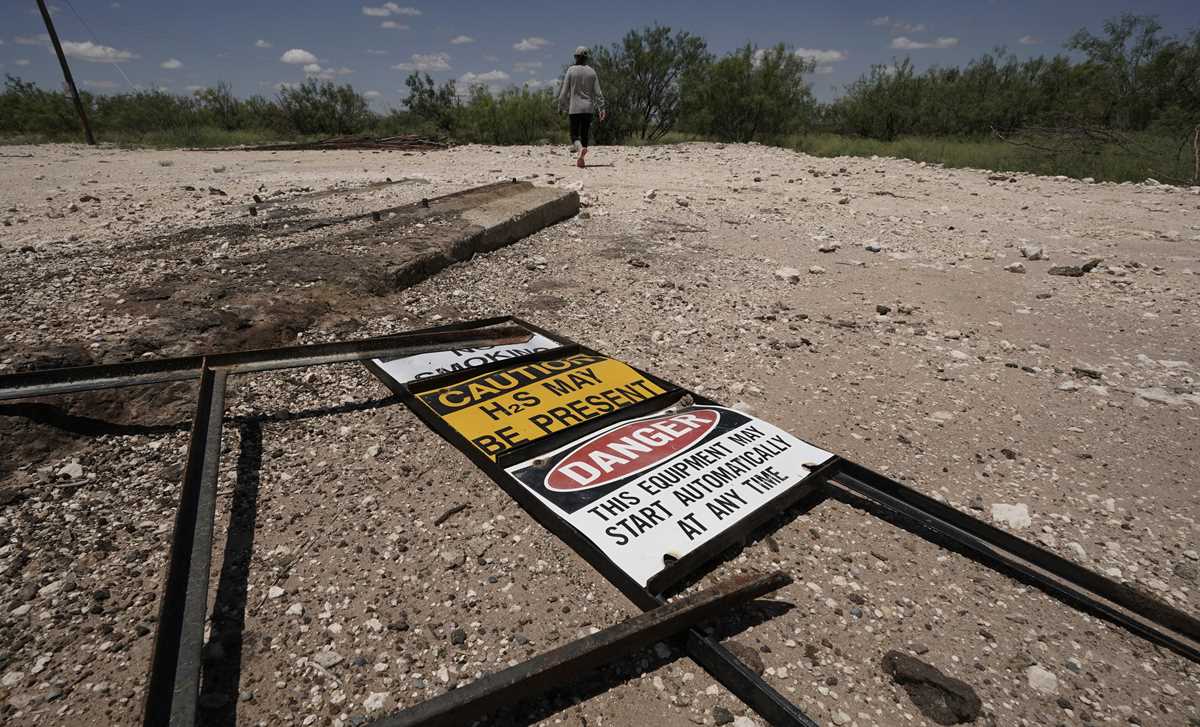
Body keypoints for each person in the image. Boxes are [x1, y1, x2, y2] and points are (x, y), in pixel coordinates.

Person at [557, 46, 606, 168]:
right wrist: (602, 108)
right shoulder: (592, 72)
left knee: (574, 135)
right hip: (588, 109)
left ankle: (579, 149)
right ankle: (581, 159)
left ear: (576, 57)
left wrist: (561, 105)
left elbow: (564, 92)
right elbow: (598, 93)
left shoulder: (571, 70)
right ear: (586, 58)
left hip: (575, 108)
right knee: (584, 135)